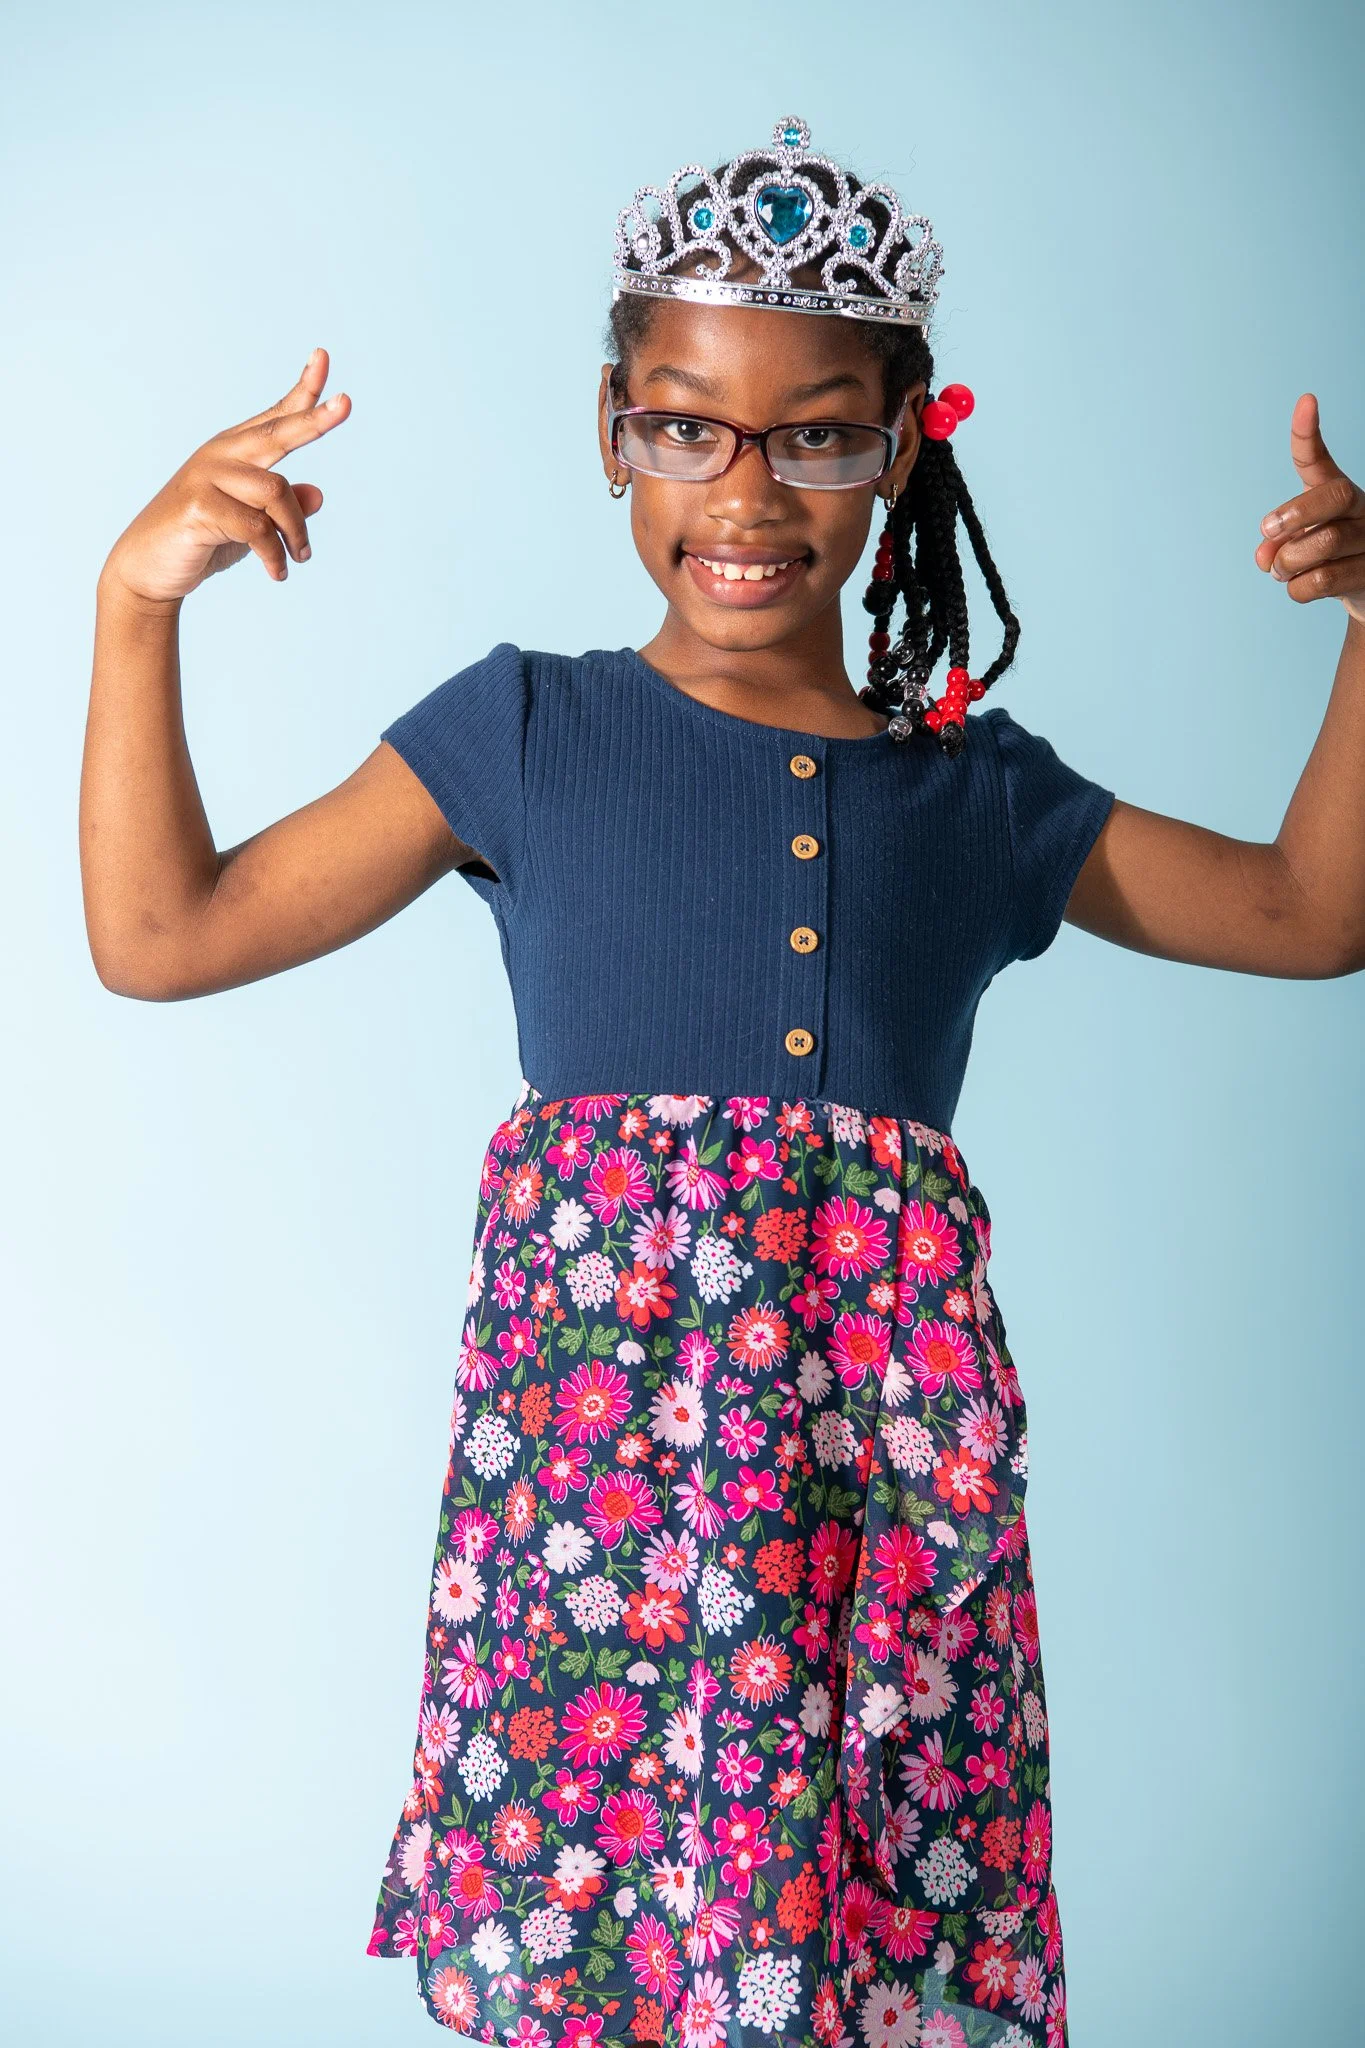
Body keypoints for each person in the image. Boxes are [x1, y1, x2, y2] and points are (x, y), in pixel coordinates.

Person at [79, 116, 1365, 2048]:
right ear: (614, 433)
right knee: (609, 1952)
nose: (744, 491)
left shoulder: (974, 792)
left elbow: (1309, 912)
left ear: (905, 443)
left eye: (817, 436)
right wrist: (137, 604)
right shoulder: (522, 730)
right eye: (685, 428)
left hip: (879, 1504)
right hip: (598, 1503)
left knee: (862, 1935)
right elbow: (161, 932)